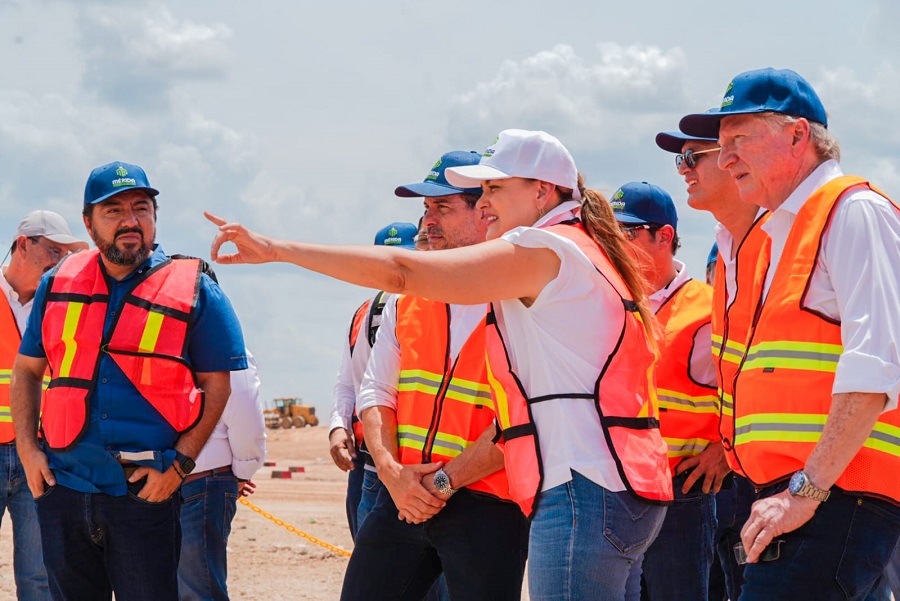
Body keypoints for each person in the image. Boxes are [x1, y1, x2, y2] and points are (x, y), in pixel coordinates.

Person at [206, 129, 672, 600]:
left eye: (494, 188)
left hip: (580, 486)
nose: (486, 201)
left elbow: (401, 271)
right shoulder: (574, 248)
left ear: (543, 191)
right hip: (605, 483)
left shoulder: (549, 249)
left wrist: (277, 250)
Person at [679, 67, 900, 600]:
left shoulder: (855, 212)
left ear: (799, 135)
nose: (725, 156)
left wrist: (805, 490)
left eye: (738, 139)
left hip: (832, 495)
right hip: (806, 495)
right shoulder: (780, 234)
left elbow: (877, 367)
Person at [11, 161, 247, 601]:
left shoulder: (195, 287)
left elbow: (219, 387)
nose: (130, 221)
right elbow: (27, 369)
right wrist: (27, 450)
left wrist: (180, 467)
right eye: (113, 211)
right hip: (64, 487)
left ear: (155, 217)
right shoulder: (57, 283)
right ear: (88, 222)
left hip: (146, 493)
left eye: (141, 208)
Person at [341, 149, 528, 601]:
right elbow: (375, 391)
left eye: (442, 207)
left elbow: (522, 418)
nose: (427, 222)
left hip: (489, 507)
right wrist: (390, 472)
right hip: (403, 497)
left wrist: (443, 483)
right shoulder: (408, 300)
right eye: (425, 209)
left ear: (484, 213)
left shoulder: (522, 305)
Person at [654, 126, 763, 601]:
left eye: (692, 158)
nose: (685, 169)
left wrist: (722, 449)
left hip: (711, 484)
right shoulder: (623, 303)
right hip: (643, 485)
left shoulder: (706, 299)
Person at [612, 182, 719, 601]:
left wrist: (725, 452)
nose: (617, 244)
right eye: (612, 233)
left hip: (682, 492)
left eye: (629, 233)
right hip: (615, 487)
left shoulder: (708, 306)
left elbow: (746, 385)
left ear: (665, 236)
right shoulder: (609, 299)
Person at [1, 210, 87, 600]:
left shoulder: (58, 309)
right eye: (53, 250)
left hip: (37, 453)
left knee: (40, 577)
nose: (58, 263)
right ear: (23, 244)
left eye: (65, 256)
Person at [328, 221, 416, 539]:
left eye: (403, 260)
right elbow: (349, 381)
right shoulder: (364, 314)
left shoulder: (438, 307)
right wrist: (338, 427)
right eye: (385, 261)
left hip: (419, 462)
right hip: (370, 460)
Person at [178, 345, 266, 601]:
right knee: (199, 590)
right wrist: (242, 471)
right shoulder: (224, 346)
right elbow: (246, 417)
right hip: (203, 480)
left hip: (159, 481)